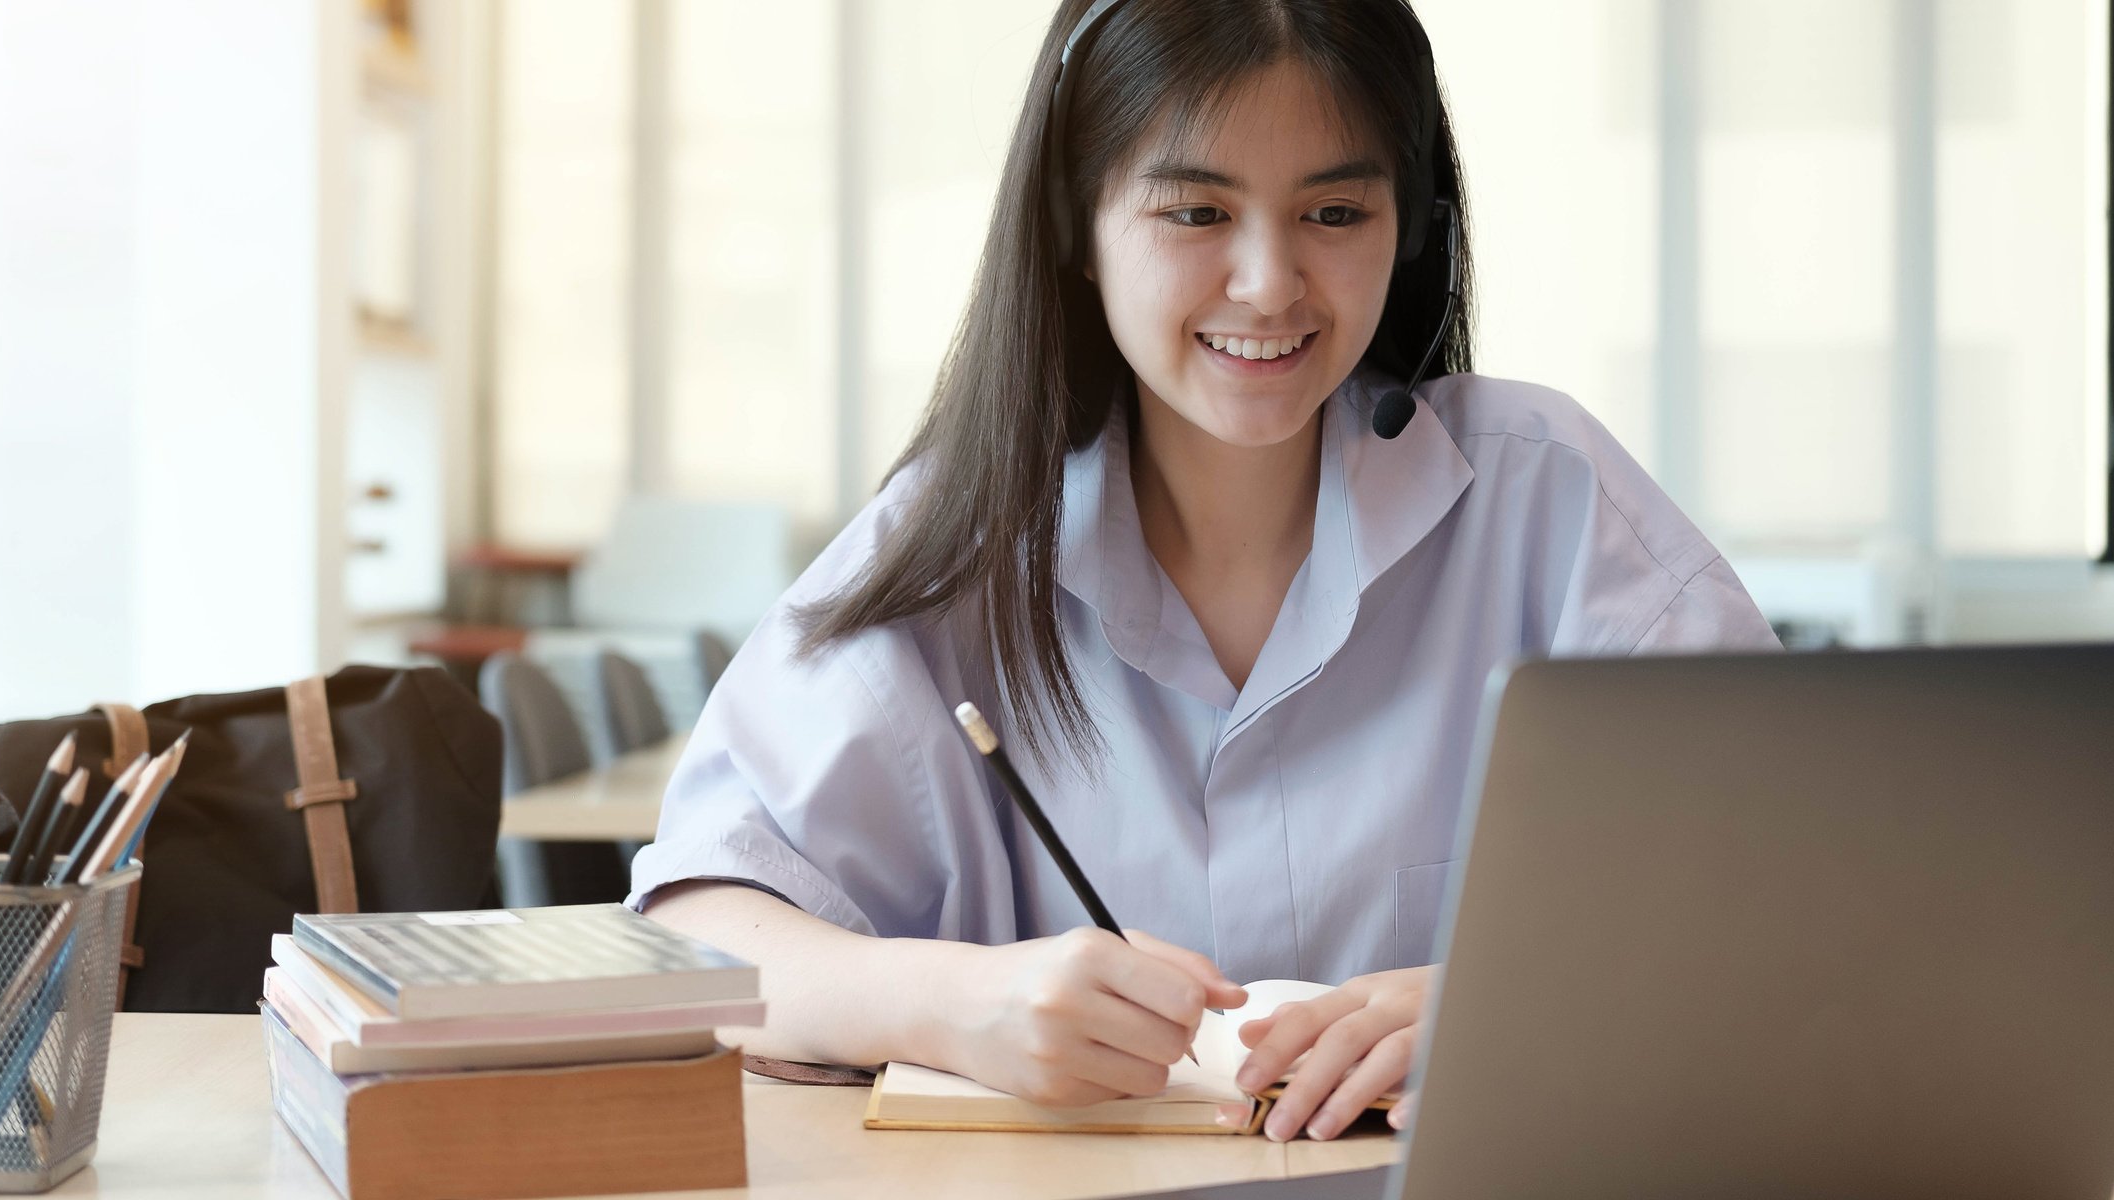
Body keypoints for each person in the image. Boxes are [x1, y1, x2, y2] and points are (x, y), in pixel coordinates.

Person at [629, 0, 1779, 1143]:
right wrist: (956, 1005)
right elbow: (699, 935)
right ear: (1076, 225)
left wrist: (1522, 1003)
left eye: (1335, 211)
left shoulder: (1551, 500)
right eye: (1195, 210)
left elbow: (1801, 891)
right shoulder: (957, 547)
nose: (1270, 282)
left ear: (1411, 226)